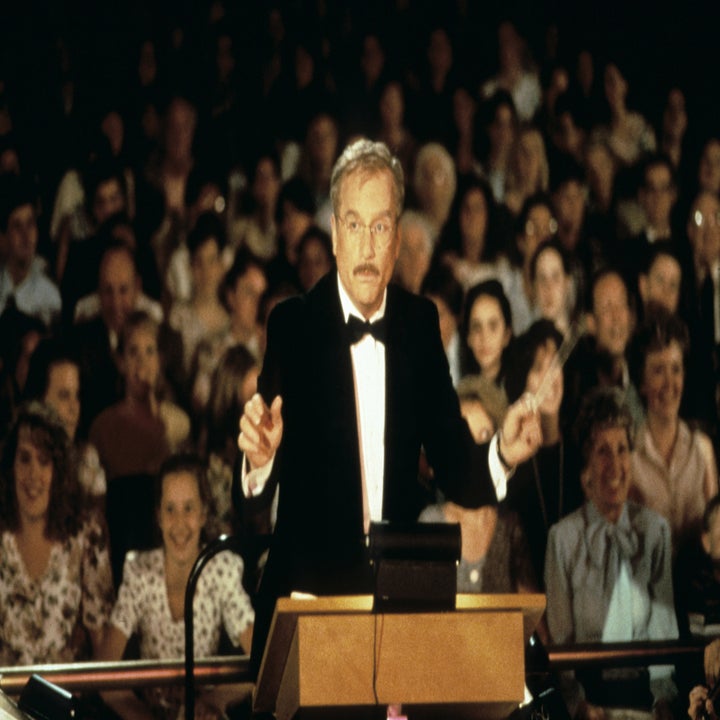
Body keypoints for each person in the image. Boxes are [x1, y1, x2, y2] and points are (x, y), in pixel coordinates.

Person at [236, 138, 542, 675]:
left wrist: (503, 453)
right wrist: (262, 460)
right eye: (353, 224)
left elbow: (452, 460)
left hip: (397, 606)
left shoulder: (419, 324)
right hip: (308, 607)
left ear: (398, 239)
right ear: (333, 235)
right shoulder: (293, 324)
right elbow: (261, 483)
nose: (368, 245)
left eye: (381, 227)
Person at [545, 387, 678, 720]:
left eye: (622, 449)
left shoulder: (655, 531)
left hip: (645, 697)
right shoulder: (563, 539)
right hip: (590, 702)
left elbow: (663, 629)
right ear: (587, 463)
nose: (615, 464)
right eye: (603, 451)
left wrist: (663, 701)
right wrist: (578, 705)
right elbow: (561, 644)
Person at [98, 453, 254, 720]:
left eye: (189, 508)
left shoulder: (221, 570)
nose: (179, 523)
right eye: (170, 509)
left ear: (204, 514)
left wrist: (215, 700)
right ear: (158, 516)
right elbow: (103, 674)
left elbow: (264, 663)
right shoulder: (139, 572)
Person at [0, 402, 114, 664]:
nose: (33, 474)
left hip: (66, 699)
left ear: (59, 471)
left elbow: (102, 649)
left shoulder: (86, 534)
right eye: (25, 458)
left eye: (44, 461)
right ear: (10, 466)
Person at [628, 307, 718, 553]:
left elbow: (717, 540)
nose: (670, 384)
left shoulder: (703, 450)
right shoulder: (629, 459)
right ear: (642, 383)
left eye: (676, 369)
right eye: (658, 370)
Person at [89, 310, 190, 482]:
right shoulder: (102, 427)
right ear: (121, 362)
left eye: (150, 351)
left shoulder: (179, 424)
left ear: (159, 360)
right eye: (133, 352)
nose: (142, 361)